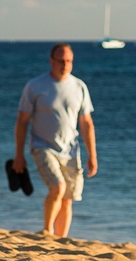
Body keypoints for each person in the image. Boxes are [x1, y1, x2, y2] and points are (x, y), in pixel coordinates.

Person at [13, 43, 97, 237]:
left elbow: (86, 123)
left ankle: (60, 240)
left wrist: (92, 155)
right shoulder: (35, 86)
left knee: (68, 197)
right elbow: (22, 121)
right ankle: (46, 231)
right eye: (61, 61)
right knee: (57, 187)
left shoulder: (79, 87)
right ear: (52, 61)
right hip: (42, 147)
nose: (66, 65)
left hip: (70, 151)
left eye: (69, 61)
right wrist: (19, 154)